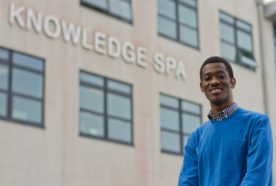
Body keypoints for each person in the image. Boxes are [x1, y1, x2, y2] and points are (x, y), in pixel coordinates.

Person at [178, 56, 273, 186]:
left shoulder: (257, 124)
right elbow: (186, 182)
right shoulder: (195, 138)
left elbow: (257, 178)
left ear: (232, 82)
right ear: (202, 87)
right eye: (208, 78)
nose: (214, 81)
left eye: (221, 76)